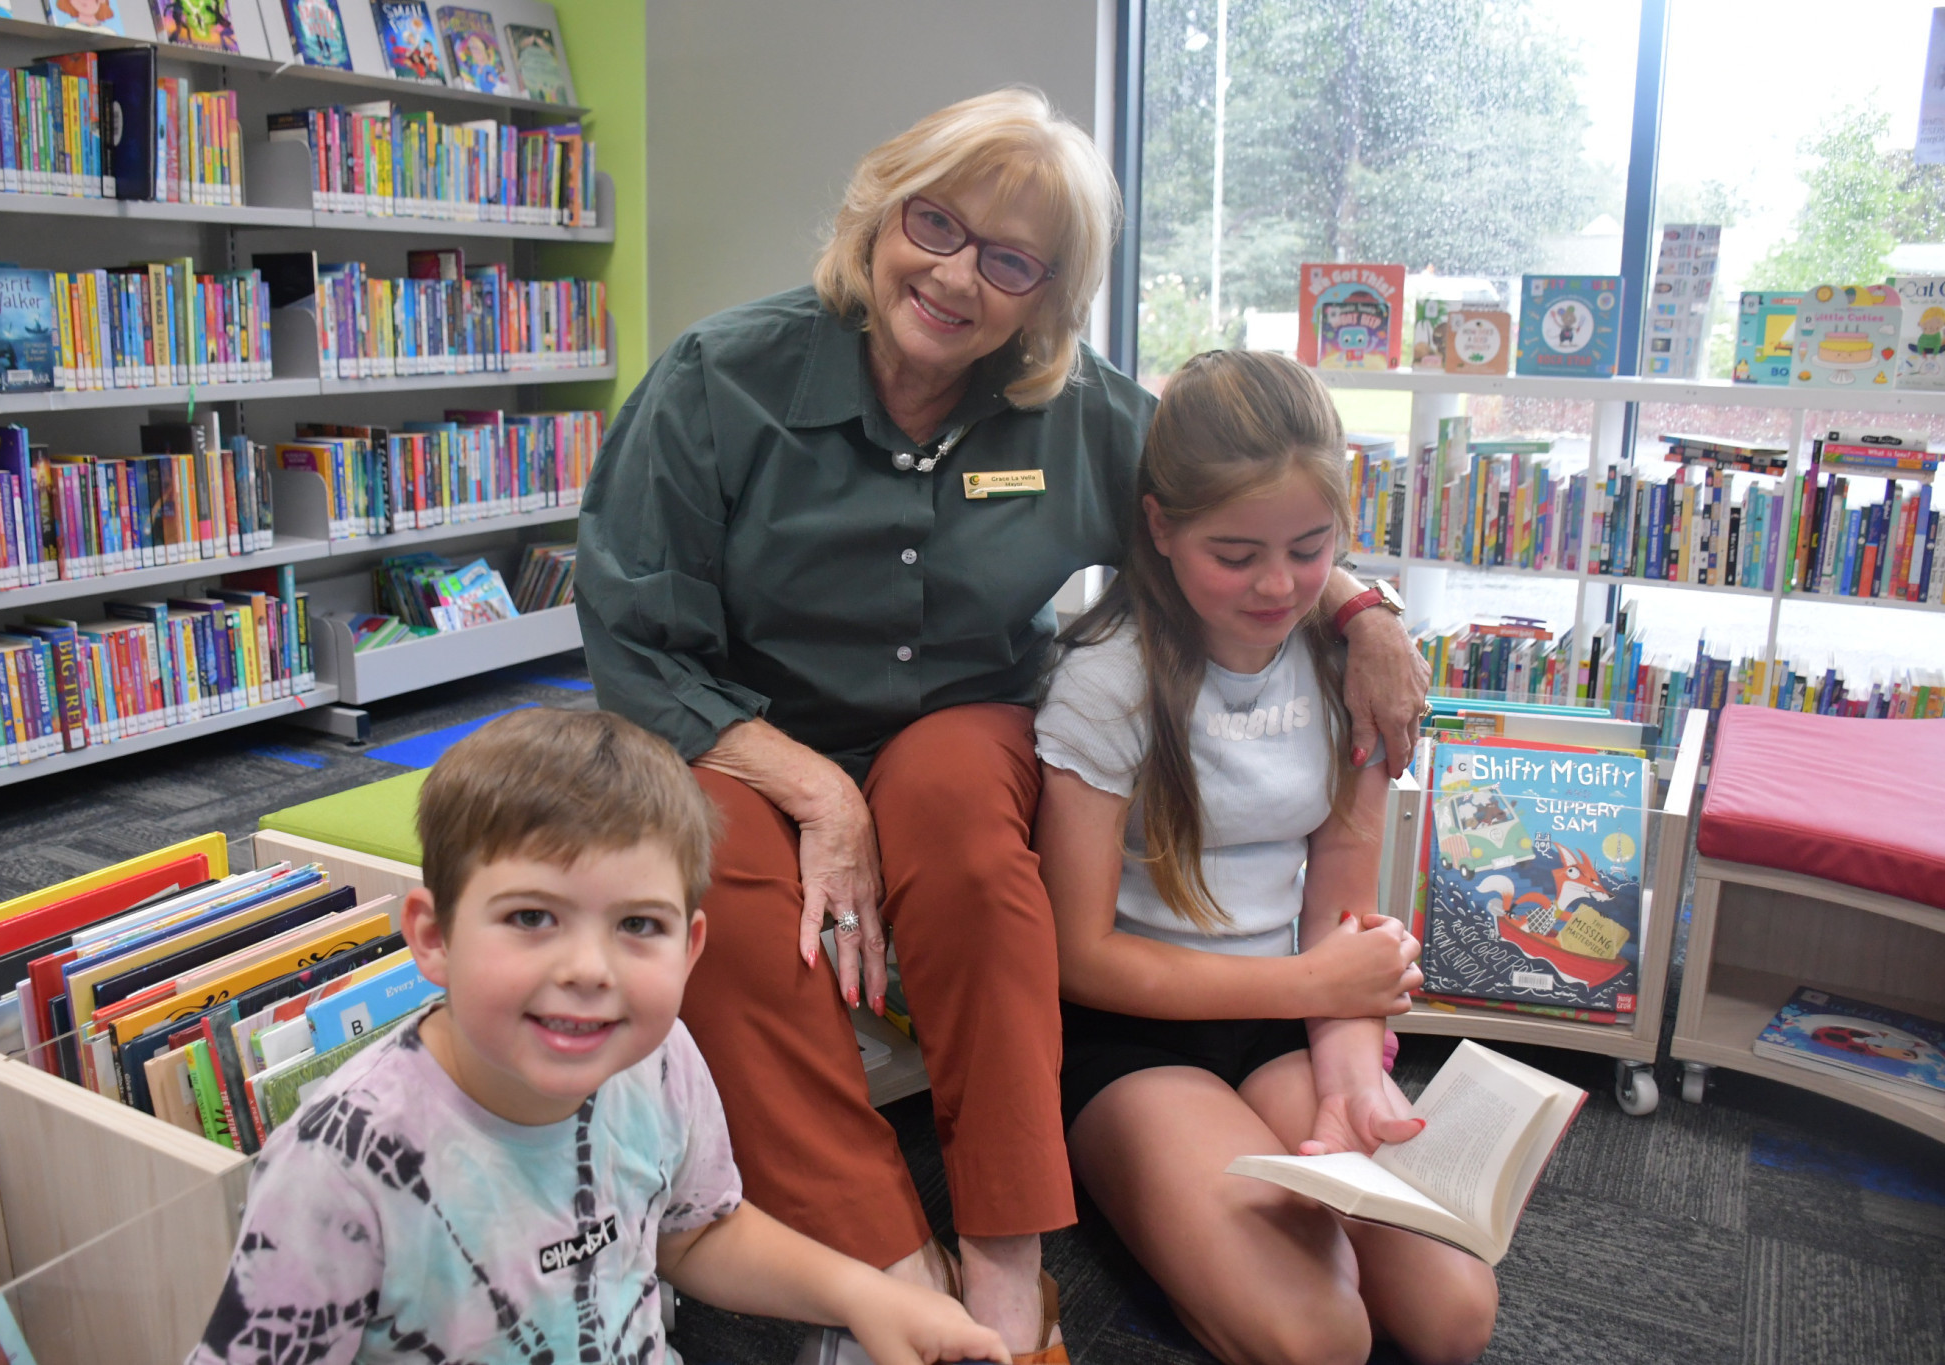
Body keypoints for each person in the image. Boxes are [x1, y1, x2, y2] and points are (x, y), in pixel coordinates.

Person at [572, 88, 1430, 1362]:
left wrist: (1361, 607)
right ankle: (887, 1269)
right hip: (740, 738)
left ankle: (1003, 1262)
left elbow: (1233, 503)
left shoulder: (1080, 413)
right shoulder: (720, 379)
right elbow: (636, 643)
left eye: (1010, 259)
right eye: (935, 223)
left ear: (1048, 294)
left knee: (965, 830)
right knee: (734, 906)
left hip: (961, 724)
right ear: (880, 213)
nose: (955, 273)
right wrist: (816, 792)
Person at [186, 708, 1008, 1365]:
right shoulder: (336, 1164)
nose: (589, 968)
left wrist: (861, 1293)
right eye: (532, 916)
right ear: (433, 936)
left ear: (690, 949)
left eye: (637, 924)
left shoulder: (661, 1058)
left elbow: (697, 1229)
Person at [1031, 349, 1498, 1365]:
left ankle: (1259, 1166)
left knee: (1451, 1313)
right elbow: (1079, 955)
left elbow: (1341, 915)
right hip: (1131, 1036)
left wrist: (1346, 1077)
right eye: (1233, 554)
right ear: (1160, 527)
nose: (1277, 585)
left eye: (1308, 547)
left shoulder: (1355, 669)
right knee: (1316, 1337)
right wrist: (1311, 981)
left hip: (1284, 1024)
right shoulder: (1107, 682)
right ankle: (1145, 1200)